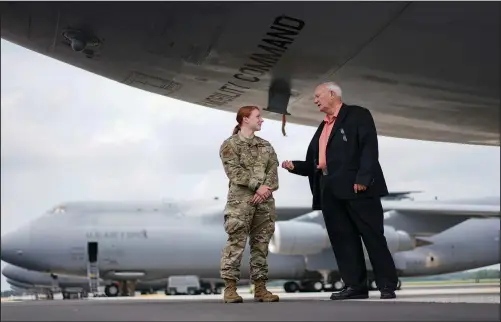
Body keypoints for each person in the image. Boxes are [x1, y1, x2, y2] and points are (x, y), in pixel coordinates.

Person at [281, 82, 398, 300]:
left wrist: (363, 178)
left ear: (332, 94)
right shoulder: (323, 126)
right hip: (330, 191)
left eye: (318, 96)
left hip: (358, 188)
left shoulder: (358, 115)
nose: (315, 100)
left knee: (373, 237)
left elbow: (369, 147)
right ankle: (355, 286)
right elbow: (317, 162)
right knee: (343, 241)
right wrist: (295, 166)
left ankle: (387, 285)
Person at [218, 105, 280, 303]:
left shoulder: (266, 146)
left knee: (260, 246)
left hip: (264, 203)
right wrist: (258, 187)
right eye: (258, 116)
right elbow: (233, 172)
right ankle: (230, 289)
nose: (261, 120)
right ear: (245, 119)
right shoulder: (230, 145)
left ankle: (260, 289)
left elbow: (273, 174)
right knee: (236, 244)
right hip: (240, 203)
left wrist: (264, 191)